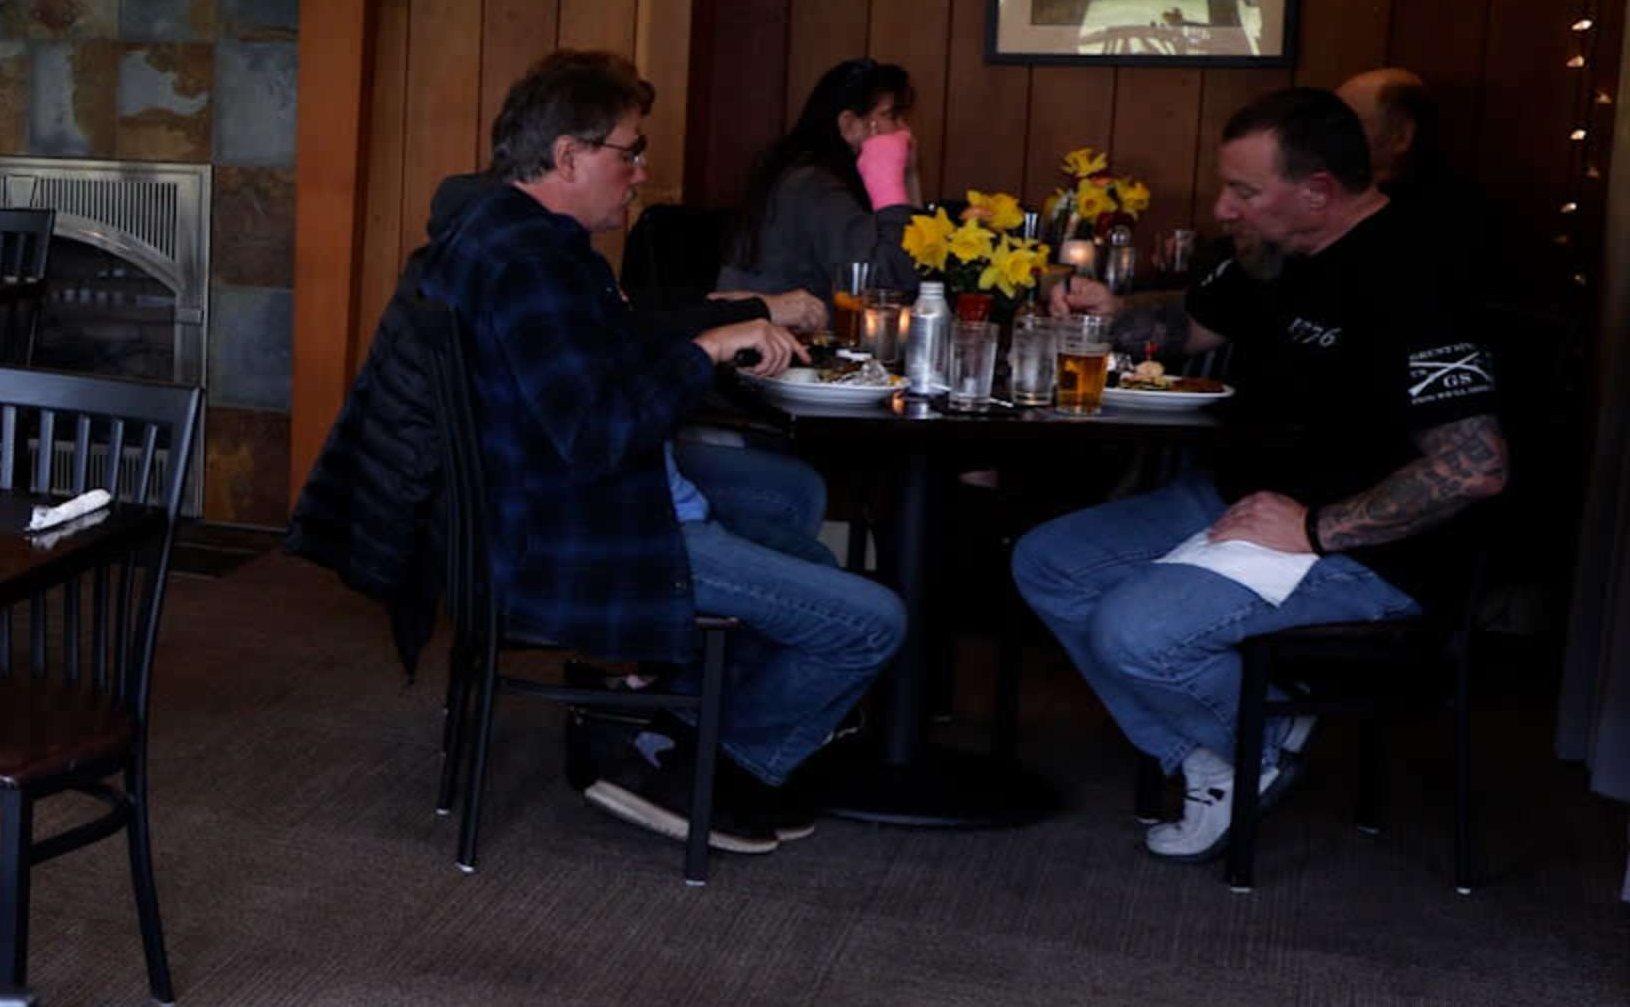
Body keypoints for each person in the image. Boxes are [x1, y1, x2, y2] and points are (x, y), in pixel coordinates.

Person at [425, 49, 906, 852]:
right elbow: (597, 432)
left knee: (792, 512)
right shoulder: (530, 266)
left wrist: (721, 322)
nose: (641, 172)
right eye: (630, 151)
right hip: (586, 535)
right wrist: (708, 350)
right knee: (873, 621)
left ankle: (671, 717)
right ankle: (704, 759)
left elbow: (611, 346)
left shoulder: (519, 236)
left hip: (582, 500)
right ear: (570, 155)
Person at [1015, 90, 1510, 859]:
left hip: (1364, 547)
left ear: (1316, 192)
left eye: (1244, 191)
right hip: (1238, 499)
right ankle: (1222, 753)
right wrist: (1102, 315)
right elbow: (1186, 328)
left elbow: (1474, 469)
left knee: (1133, 630)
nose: (1224, 207)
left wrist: (1316, 529)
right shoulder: (1278, 254)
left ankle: (1256, 737)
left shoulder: (1416, 275)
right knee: (1047, 561)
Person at [717, 57, 920, 307]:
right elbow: (885, 288)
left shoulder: (808, 173)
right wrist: (892, 186)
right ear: (848, 125)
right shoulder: (814, 185)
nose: (905, 131)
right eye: (892, 116)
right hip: (775, 340)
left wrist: (908, 176)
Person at [1335, 65, 1515, 299]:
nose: (1330, 134)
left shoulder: (1450, 218)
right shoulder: (1328, 193)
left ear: (1401, 136)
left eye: (1348, 122)